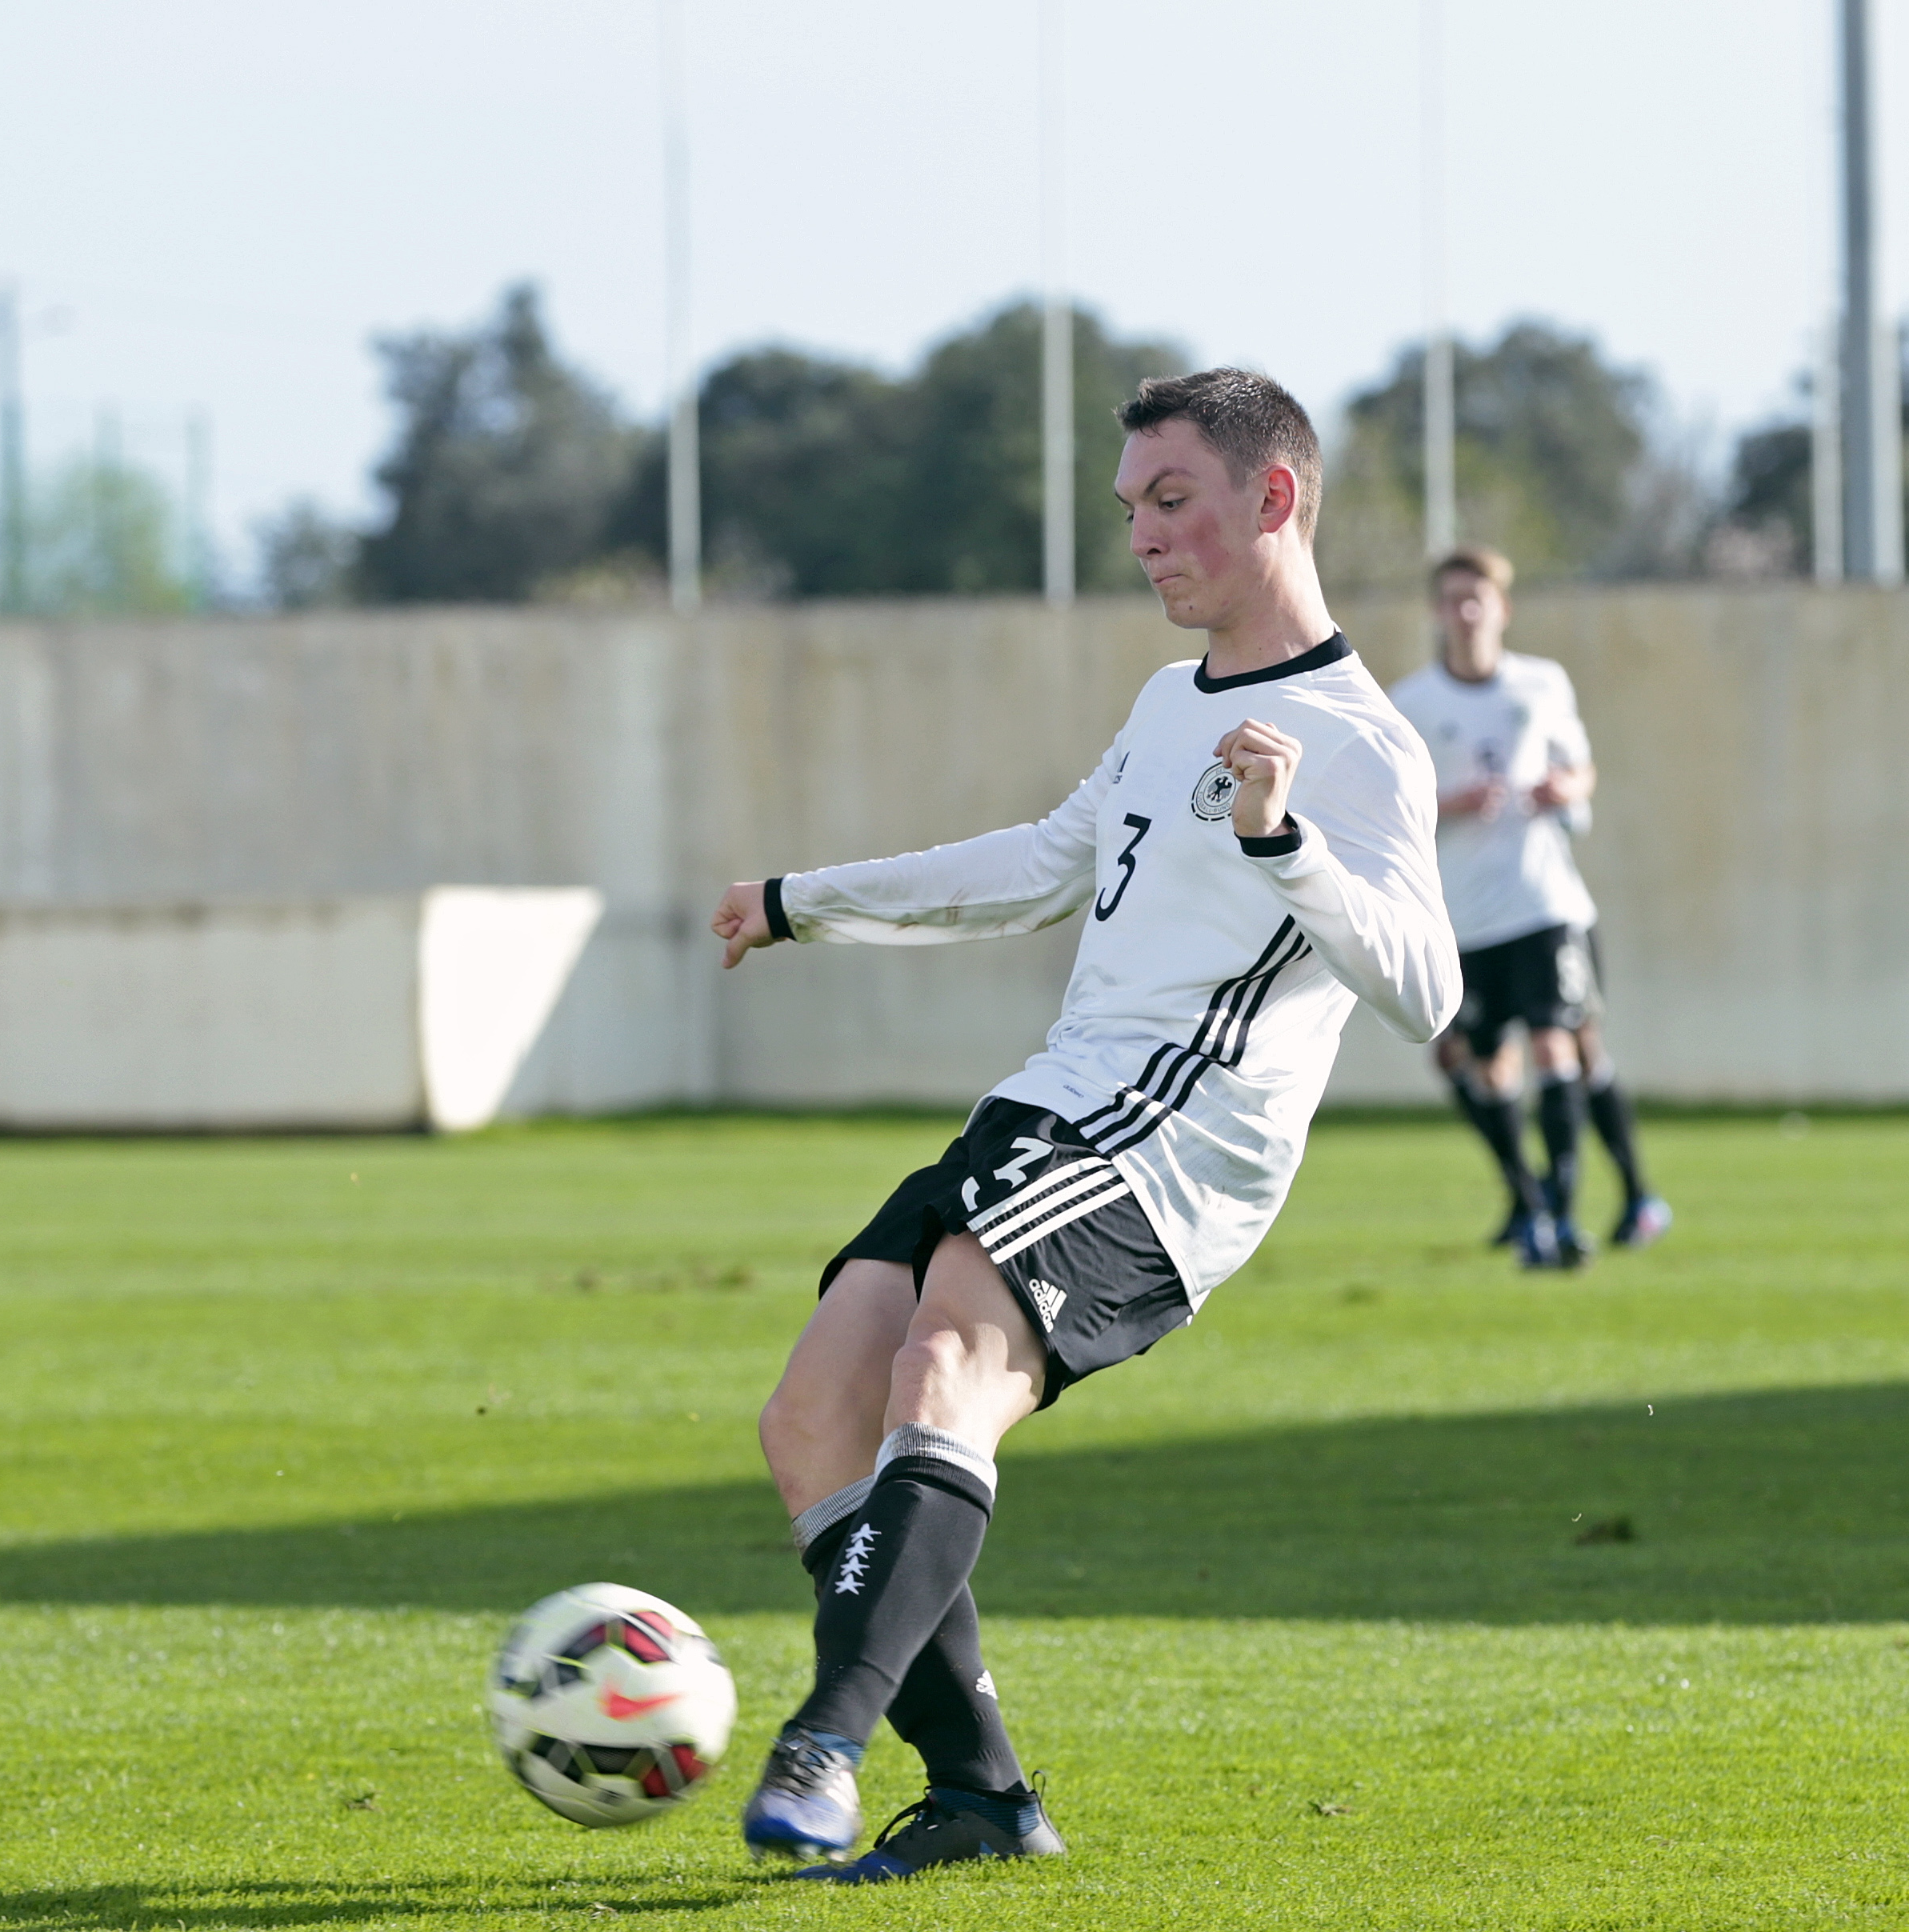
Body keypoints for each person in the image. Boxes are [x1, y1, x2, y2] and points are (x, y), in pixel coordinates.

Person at [710, 370, 1459, 1884]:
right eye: (1127, 510)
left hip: (1169, 1149)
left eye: (1168, 500)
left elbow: (1430, 989)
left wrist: (1282, 840)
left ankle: (827, 1735)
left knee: (945, 1367)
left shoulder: (1356, 742)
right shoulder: (1163, 703)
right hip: (1049, 1110)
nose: (1142, 536)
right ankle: (982, 1798)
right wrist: (807, 903)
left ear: (1273, 498)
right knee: (810, 1423)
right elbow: (1050, 861)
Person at [1388, 546, 1669, 1267]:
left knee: (1562, 1044)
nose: (1467, 610)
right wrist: (1447, 804)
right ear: (1437, 610)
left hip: (1545, 905)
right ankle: (1531, 1201)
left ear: (1503, 608)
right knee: (1480, 1066)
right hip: (1464, 918)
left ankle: (1574, 1211)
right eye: (1454, 598)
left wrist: (1567, 790)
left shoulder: (1542, 684)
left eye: (1479, 597)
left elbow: (1580, 766)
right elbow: (1391, 808)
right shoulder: (1411, 702)